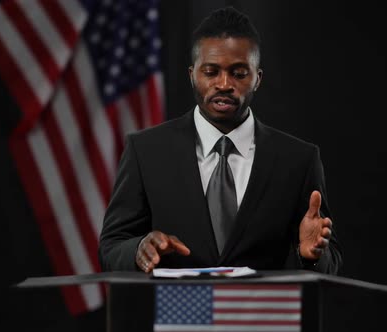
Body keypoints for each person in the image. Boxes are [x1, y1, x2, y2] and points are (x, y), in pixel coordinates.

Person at [98, 6, 342, 275]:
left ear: (257, 79)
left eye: (238, 73)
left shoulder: (298, 160)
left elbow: (329, 262)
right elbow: (111, 247)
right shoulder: (145, 151)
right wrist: (138, 248)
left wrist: (312, 256)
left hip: (261, 315)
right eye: (211, 71)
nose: (224, 84)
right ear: (192, 74)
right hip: (175, 314)